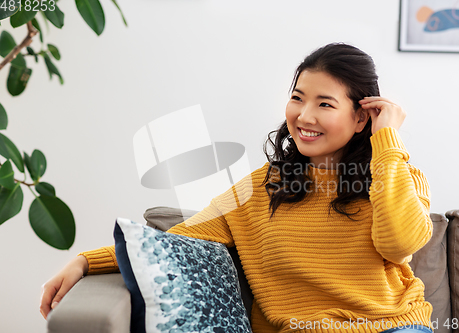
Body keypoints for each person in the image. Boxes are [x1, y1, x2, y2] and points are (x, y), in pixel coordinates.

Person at [40, 43, 434, 333]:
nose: (304, 115)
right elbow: (176, 242)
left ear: (362, 118)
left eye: (325, 104)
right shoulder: (262, 188)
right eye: (297, 98)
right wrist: (85, 261)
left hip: (395, 327)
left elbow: (399, 244)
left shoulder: (397, 174)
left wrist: (387, 143)